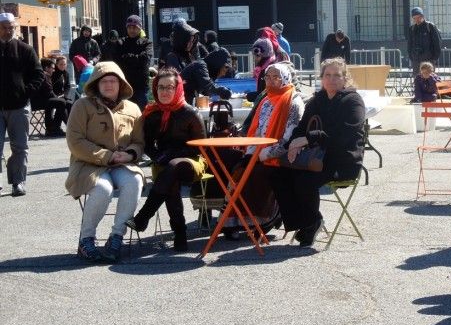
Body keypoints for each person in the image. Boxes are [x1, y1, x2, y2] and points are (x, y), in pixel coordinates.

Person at [267, 57, 365, 247]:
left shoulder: (353, 101)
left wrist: (311, 138)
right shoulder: (318, 99)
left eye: (337, 75)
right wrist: (292, 145)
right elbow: (302, 128)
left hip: (342, 160)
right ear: (321, 78)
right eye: (327, 75)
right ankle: (304, 222)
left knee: (304, 180)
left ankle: (311, 223)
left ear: (345, 78)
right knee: (277, 174)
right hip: (316, 158)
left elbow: (345, 135)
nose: (332, 79)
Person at [65, 61, 145, 262]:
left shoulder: (133, 108)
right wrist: (106, 156)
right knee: (103, 189)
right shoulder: (82, 106)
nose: (109, 85)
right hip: (88, 163)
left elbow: (139, 142)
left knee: (134, 181)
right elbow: (75, 141)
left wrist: (131, 155)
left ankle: (117, 236)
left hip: (122, 162)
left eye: (113, 81)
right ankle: (86, 240)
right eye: (104, 81)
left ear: (121, 84)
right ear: (96, 84)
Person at [125, 68, 206, 252]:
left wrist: (173, 153)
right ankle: (180, 234)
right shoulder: (153, 113)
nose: (165, 92)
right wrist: (157, 156)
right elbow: (146, 145)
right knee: (171, 178)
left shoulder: (191, 113)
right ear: (155, 89)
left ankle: (144, 216)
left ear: (178, 88)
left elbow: (201, 147)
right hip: (163, 163)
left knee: (173, 166)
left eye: (170, 87)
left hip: (193, 162)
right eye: (161, 87)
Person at [223, 63, 305, 235]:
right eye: (268, 77)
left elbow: (288, 139)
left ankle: (263, 219)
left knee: (255, 173)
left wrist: (262, 155)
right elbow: (258, 131)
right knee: (237, 166)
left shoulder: (294, 102)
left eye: (276, 77)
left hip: (282, 155)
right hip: (260, 152)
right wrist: (252, 153)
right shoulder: (266, 100)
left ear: (285, 78)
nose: (271, 81)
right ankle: (235, 220)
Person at [0, 12, 45, 196]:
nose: (8, 31)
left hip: (19, 107)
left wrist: (25, 93)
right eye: (4, 27)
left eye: (11, 27)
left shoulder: (25, 49)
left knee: (20, 147)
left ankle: (18, 182)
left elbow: (38, 74)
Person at [118, 15, 154, 110]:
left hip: (141, 87)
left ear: (140, 28)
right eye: (129, 27)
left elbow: (145, 59)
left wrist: (127, 57)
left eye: (134, 27)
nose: (131, 30)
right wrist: (137, 58)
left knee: (142, 115)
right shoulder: (121, 42)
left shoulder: (147, 43)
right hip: (124, 86)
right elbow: (118, 59)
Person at [31, 58, 71, 137]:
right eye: (52, 68)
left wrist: (61, 97)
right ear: (46, 68)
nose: (54, 70)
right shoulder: (43, 76)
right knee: (61, 102)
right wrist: (59, 98)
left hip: (44, 100)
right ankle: (56, 128)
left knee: (66, 102)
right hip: (37, 102)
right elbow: (49, 92)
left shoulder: (46, 75)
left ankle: (57, 127)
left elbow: (66, 87)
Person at [407, 7, 441, 75]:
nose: (417, 20)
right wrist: (412, 57)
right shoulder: (412, 29)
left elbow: (437, 43)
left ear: (422, 16)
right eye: (414, 18)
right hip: (416, 61)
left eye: (418, 17)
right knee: (418, 81)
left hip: (428, 61)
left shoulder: (430, 26)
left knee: (430, 81)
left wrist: (434, 58)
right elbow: (409, 44)